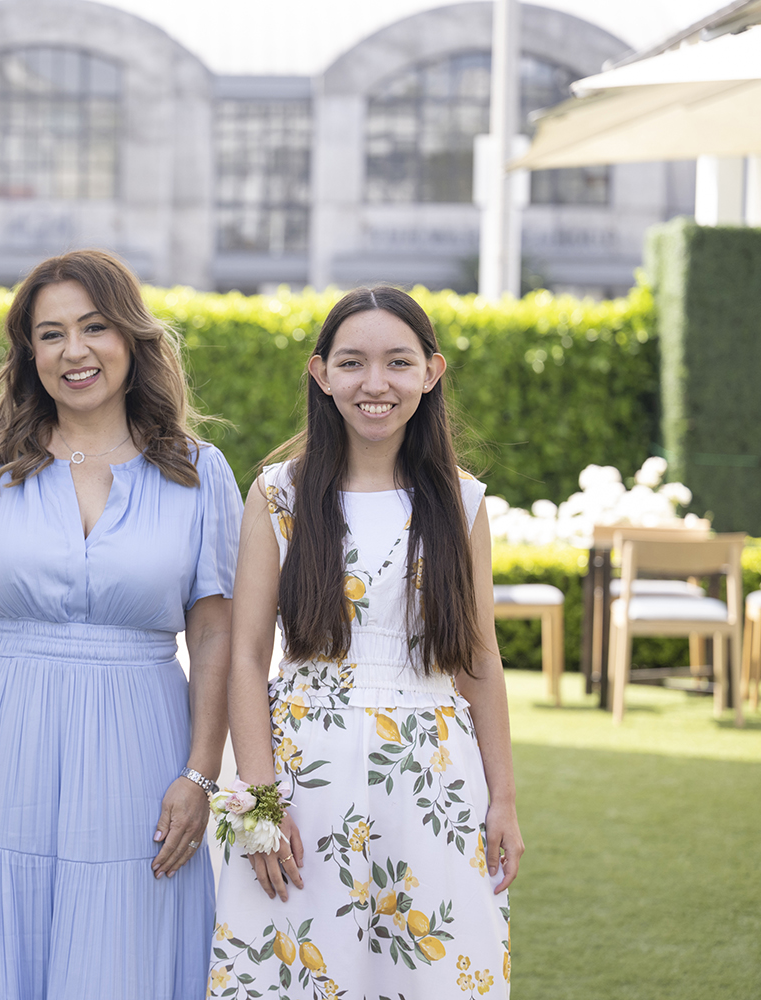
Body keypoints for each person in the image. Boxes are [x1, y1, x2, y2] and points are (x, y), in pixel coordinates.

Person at [0, 249, 241, 1000]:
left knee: (128, 959)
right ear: (30, 353)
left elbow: (216, 634)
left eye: (95, 327)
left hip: (142, 750)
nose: (74, 351)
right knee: (7, 957)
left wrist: (200, 772)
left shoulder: (199, 472)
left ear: (131, 337)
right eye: (51, 334)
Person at [209, 286, 524, 999]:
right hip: (304, 777)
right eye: (352, 362)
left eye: (398, 362)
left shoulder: (463, 500)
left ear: (431, 372)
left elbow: (479, 659)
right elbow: (247, 655)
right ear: (321, 373)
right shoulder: (278, 494)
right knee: (296, 967)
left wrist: (503, 798)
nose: (375, 383)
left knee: (432, 971)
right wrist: (260, 803)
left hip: (434, 776)